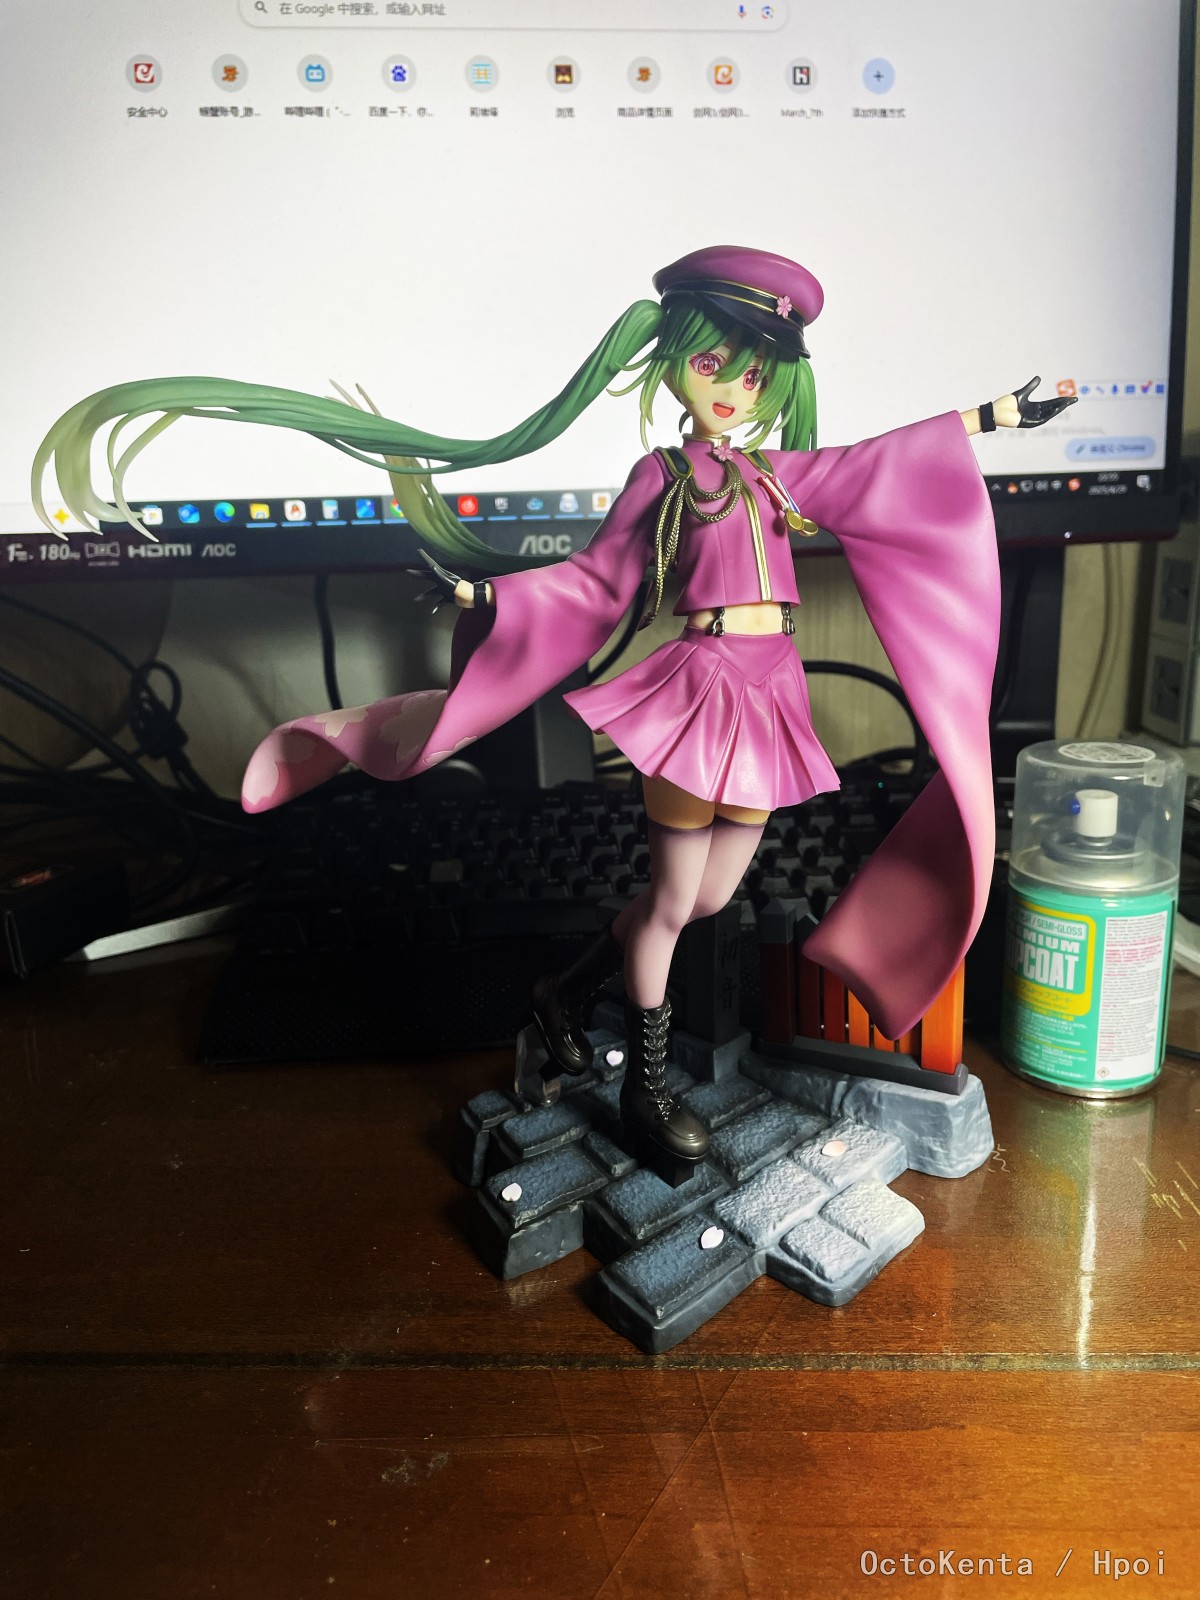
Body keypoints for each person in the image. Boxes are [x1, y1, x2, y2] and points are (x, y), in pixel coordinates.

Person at [33, 245, 1074, 1174]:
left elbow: (879, 465)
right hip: (700, 691)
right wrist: (489, 597)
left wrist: (994, 418)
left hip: (772, 696)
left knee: (708, 899)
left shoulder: (776, 476)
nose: (733, 387)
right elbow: (593, 582)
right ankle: (645, 1088)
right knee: (671, 903)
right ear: (673, 357)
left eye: (755, 373)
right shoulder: (664, 476)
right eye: (714, 363)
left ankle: (566, 990)